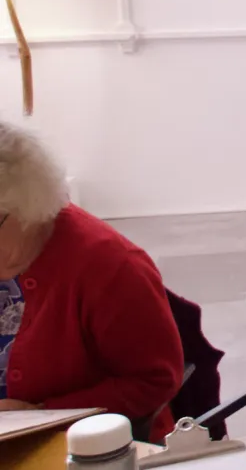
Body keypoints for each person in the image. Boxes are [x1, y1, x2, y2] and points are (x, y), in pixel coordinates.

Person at [0, 123, 184, 440]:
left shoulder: (110, 266)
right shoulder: (11, 248)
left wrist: (41, 413)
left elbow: (154, 381)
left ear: (26, 207)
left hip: (84, 445)